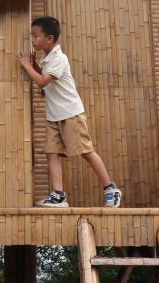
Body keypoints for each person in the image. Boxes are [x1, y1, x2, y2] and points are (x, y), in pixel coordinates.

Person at [15, 15, 122, 208]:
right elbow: (43, 75)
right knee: (52, 153)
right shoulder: (47, 58)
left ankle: (111, 189)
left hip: (70, 114)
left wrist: (27, 65)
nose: (32, 40)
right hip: (54, 115)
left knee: (86, 152)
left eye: (35, 36)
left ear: (49, 38)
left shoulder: (59, 58)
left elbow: (42, 81)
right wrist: (35, 64)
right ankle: (58, 195)